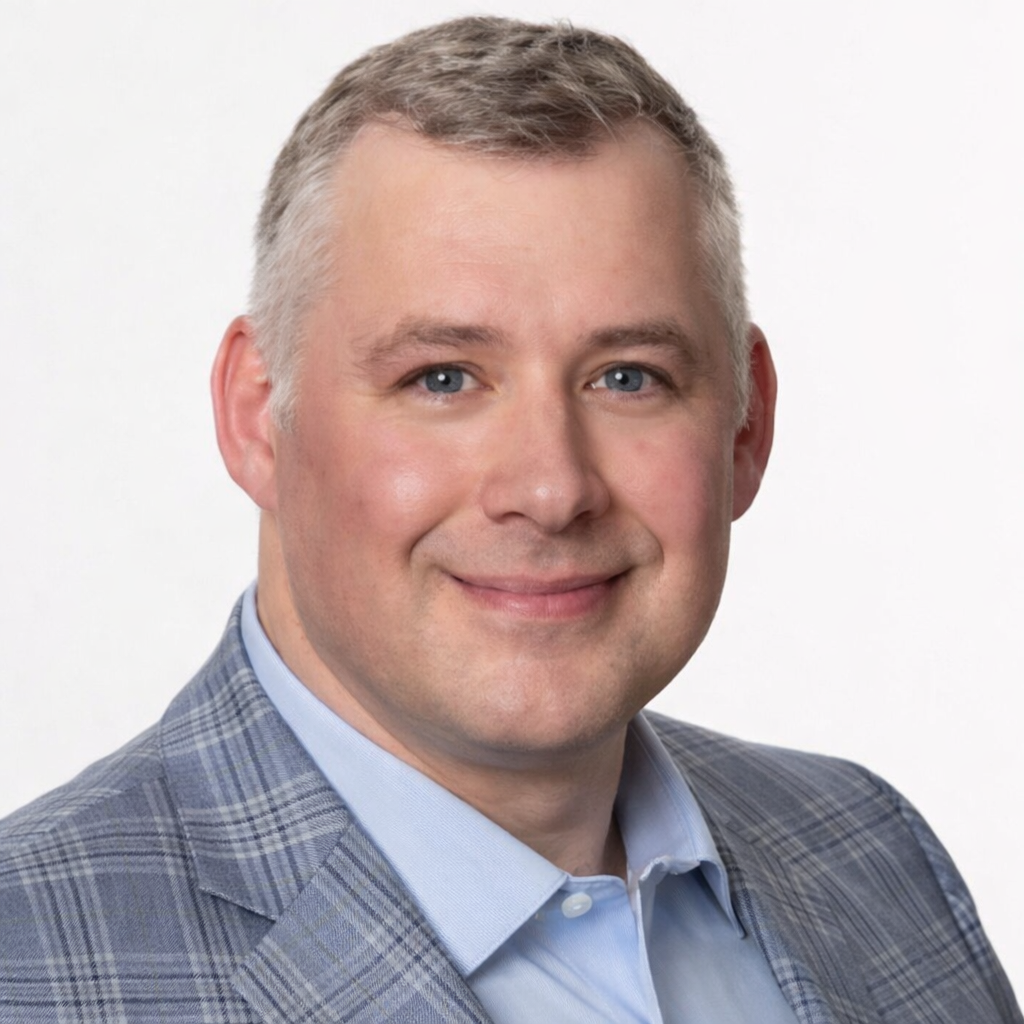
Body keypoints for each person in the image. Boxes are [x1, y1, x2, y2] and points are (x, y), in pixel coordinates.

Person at [0, 15, 1018, 1023]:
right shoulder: (28, 960)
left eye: (628, 376)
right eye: (441, 377)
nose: (550, 487)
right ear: (258, 416)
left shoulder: (874, 855)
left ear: (745, 424)